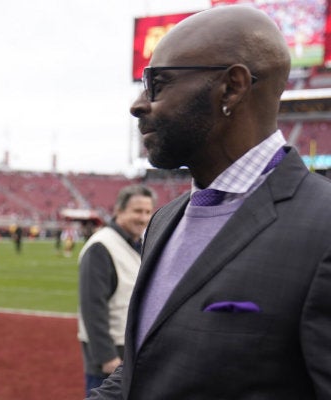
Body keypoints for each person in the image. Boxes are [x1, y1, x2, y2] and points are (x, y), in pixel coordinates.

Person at [88, 5, 331, 399]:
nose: (137, 104)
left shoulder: (322, 227)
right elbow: (143, 375)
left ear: (232, 87)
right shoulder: (165, 220)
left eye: (159, 83)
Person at [77, 185, 155, 396]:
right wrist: (107, 357)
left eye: (148, 212)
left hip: (131, 350)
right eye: (137, 211)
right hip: (111, 357)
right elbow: (92, 307)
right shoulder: (101, 246)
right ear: (119, 211)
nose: (143, 218)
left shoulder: (137, 243)